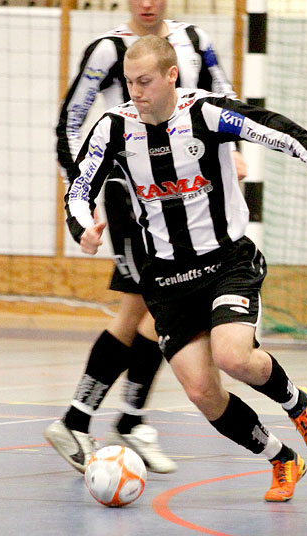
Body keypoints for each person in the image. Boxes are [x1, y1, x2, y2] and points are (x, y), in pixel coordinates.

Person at [65, 35, 307, 501]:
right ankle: (280, 459)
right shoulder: (114, 128)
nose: (136, 92)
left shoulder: (206, 113)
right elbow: (79, 188)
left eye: (144, 81)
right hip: (165, 278)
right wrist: (83, 227)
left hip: (227, 262)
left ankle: (297, 404)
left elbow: (288, 134)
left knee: (233, 356)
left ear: (171, 76)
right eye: (129, 82)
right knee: (203, 392)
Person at [46, 0, 246, 475]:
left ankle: (101, 419)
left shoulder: (195, 41)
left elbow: (225, 93)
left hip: (192, 195)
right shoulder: (107, 49)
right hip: (132, 195)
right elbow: (70, 122)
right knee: (156, 305)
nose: (147, 4)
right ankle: (106, 419)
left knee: (144, 310)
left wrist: (235, 147)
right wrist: (82, 189)